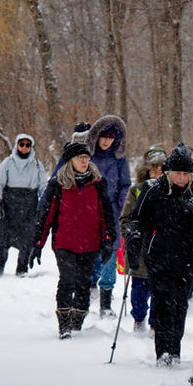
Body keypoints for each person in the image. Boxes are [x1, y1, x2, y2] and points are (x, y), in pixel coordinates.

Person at [125, 143, 193, 366]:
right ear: (169, 172)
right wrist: (134, 238)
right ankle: (163, 352)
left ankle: (174, 347)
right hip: (159, 256)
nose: (182, 178)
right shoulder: (153, 190)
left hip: (189, 258)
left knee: (179, 304)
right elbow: (135, 218)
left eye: (186, 173)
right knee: (163, 302)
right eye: (177, 173)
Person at [33, 140, 117, 338]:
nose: (85, 161)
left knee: (83, 283)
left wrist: (108, 240)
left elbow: (106, 214)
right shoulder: (57, 184)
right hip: (65, 243)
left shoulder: (98, 183)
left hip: (90, 243)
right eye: (80, 157)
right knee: (67, 280)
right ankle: (64, 325)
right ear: (70, 160)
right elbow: (45, 216)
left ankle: (77, 323)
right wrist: (38, 242)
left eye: (87, 157)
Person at [83, 115, 131, 318]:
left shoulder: (119, 160)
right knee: (87, 253)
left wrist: (122, 200)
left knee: (110, 256)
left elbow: (126, 183)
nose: (107, 141)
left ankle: (105, 302)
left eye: (111, 138)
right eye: (104, 136)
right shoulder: (87, 156)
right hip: (88, 211)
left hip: (111, 212)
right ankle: (83, 295)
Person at [119, 146, 166, 333]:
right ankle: (138, 319)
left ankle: (155, 323)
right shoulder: (136, 190)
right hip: (139, 253)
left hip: (161, 253)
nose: (157, 173)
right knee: (138, 293)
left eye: (161, 169)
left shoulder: (170, 191)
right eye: (153, 169)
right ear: (146, 171)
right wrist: (131, 237)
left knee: (159, 293)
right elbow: (125, 218)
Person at [0, 134, 47, 276]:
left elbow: (43, 187)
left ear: (31, 147)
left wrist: (44, 204)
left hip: (29, 206)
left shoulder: (37, 165)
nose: (24, 147)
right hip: (10, 204)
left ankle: (22, 268)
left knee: (27, 239)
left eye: (28, 145)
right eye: (22, 144)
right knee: (3, 238)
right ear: (17, 145)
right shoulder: (7, 163)